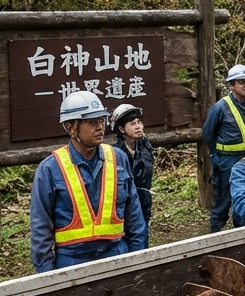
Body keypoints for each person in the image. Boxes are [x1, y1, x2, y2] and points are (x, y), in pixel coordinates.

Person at [30, 91, 146, 272]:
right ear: (71, 128)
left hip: (117, 255)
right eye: (92, 123)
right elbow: (40, 230)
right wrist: (49, 281)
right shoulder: (50, 169)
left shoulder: (118, 158)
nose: (100, 127)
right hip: (72, 262)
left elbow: (135, 217)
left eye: (101, 121)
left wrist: (138, 260)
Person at [203, 64, 245, 233]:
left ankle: (242, 232)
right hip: (227, 159)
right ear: (231, 85)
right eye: (241, 82)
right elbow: (208, 132)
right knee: (223, 197)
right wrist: (215, 155)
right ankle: (215, 235)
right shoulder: (220, 107)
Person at [111, 103, 154, 248]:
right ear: (122, 129)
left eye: (139, 122)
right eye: (132, 124)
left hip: (144, 199)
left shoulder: (144, 146)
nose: (138, 126)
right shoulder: (117, 153)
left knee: (143, 236)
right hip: (125, 203)